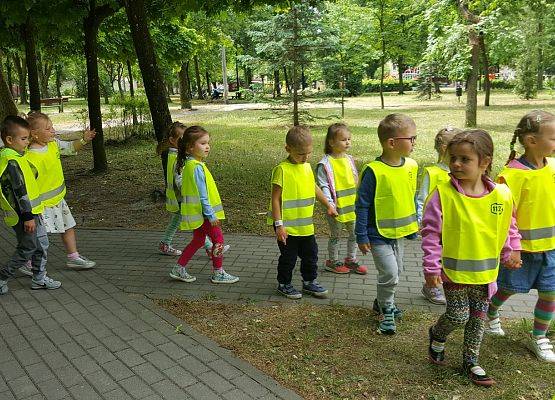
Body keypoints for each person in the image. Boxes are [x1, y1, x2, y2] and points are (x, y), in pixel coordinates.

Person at [422, 129, 521, 387]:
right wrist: (431, 268)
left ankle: (471, 361)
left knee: (478, 317)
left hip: (486, 273)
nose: (456, 164)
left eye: (465, 159)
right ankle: (437, 334)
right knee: (457, 316)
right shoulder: (443, 195)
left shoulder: (501, 195)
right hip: (454, 272)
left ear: (485, 162)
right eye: (453, 157)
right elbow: (431, 234)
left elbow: (509, 226)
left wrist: (512, 250)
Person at [486, 110, 555, 363]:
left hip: (551, 248)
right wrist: (511, 248)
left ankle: (539, 337)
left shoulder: (553, 167)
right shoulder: (512, 175)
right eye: (554, 138)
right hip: (522, 250)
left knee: (550, 294)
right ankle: (491, 311)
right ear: (531, 141)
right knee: (507, 288)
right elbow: (505, 215)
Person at [355, 113, 419, 335]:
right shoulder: (374, 171)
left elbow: (408, 196)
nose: (414, 143)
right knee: (390, 273)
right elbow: (362, 205)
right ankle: (386, 309)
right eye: (411, 138)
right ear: (392, 143)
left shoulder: (411, 165)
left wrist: (412, 227)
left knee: (398, 270)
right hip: (377, 234)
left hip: (398, 233)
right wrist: (361, 235)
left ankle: (381, 301)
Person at [16, 112, 96, 276]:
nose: (53, 131)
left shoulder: (53, 144)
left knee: (68, 227)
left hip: (58, 200)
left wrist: (84, 140)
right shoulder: (28, 157)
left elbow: (70, 148)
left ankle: (73, 257)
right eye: (48, 128)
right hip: (39, 206)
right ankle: (28, 262)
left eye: (52, 127)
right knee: (37, 236)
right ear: (35, 133)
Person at [269, 125, 337, 299]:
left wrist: (328, 204)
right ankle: (284, 284)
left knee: (311, 255)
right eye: (300, 154)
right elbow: (275, 199)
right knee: (288, 258)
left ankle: (309, 282)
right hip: (287, 227)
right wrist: (279, 225)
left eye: (308, 153)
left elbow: (313, 187)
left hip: (306, 226)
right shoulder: (282, 170)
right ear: (288, 149)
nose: (305, 157)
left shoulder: (306, 167)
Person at [169, 126, 239, 284]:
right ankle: (218, 272)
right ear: (190, 147)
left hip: (196, 212)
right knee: (218, 240)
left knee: (199, 240)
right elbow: (203, 196)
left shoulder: (189, 165)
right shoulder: (197, 168)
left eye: (208, 143)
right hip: (204, 214)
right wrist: (211, 215)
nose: (207, 146)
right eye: (202, 143)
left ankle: (178, 268)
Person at [0, 116, 61, 294]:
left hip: (34, 211)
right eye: (24, 139)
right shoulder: (11, 161)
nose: (27, 143)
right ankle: (3, 276)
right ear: (9, 140)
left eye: (27, 138)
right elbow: (20, 191)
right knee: (27, 248)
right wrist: (28, 217)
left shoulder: (18, 155)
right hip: (25, 215)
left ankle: (39, 279)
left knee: (42, 244)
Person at [156, 122, 229, 258]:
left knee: (193, 228)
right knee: (196, 225)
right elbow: (179, 180)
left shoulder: (179, 157)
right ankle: (209, 248)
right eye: (181, 139)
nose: (184, 142)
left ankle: (167, 244)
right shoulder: (178, 159)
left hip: (182, 199)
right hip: (182, 199)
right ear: (173, 141)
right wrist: (190, 189)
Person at [417, 126, 461, 305]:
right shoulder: (433, 172)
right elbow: (422, 199)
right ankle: (431, 286)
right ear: (444, 148)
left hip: (456, 226)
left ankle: (449, 286)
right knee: (435, 257)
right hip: (437, 226)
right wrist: (421, 222)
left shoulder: (461, 172)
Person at [316, 123, 367, 274]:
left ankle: (351, 260)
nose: (348, 142)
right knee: (336, 235)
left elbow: (355, 180)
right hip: (336, 208)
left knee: (354, 234)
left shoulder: (349, 159)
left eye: (349, 139)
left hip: (352, 206)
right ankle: (332, 262)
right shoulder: (324, 164)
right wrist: (330, 205)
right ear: (331, 142)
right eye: (343, 139)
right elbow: (324, 186)